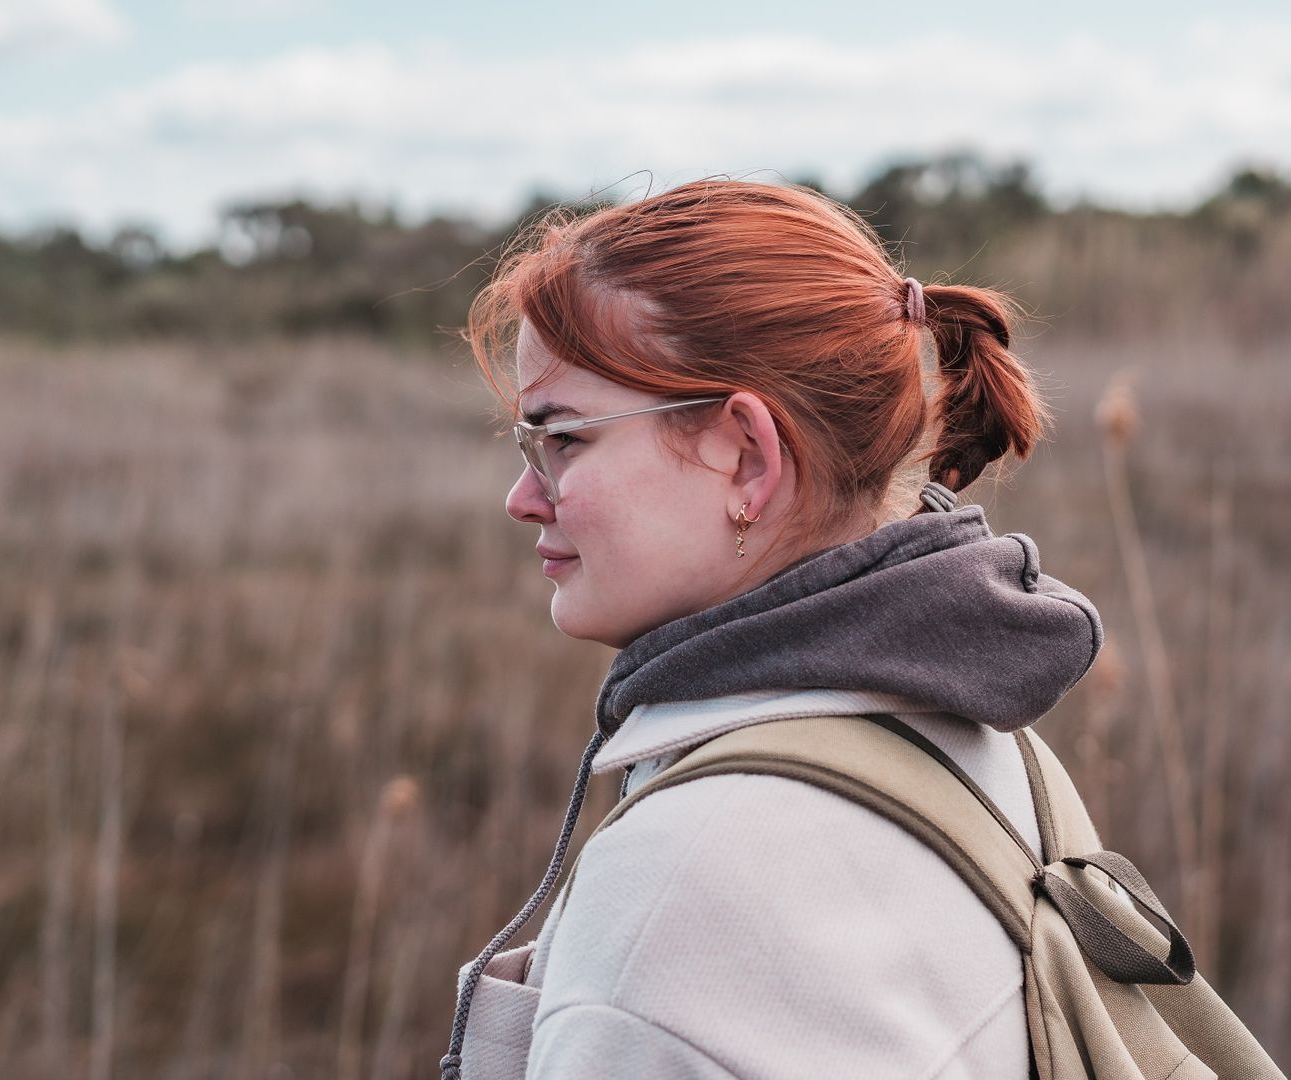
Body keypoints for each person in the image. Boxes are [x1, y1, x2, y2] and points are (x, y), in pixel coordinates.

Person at [442, 179, 1105, 1079]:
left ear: (748, 457)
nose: (523, 498)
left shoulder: (684, 883)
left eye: (563, 440)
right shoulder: (986, 743)